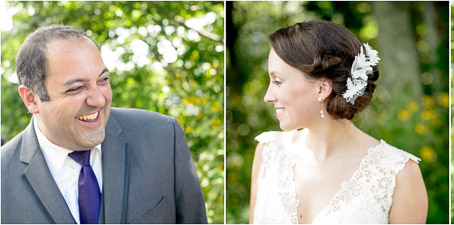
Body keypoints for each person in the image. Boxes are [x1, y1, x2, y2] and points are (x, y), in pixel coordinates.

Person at [1, 25, 208, 223]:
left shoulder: (163, 138)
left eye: (103, 80)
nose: (99, 100)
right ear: (31, 98)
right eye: (76, 88)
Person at [248, 20, 428, 224]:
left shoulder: (399, 174)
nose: (268, 96)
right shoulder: (268, 153)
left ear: (322, 88)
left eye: (277, 81)